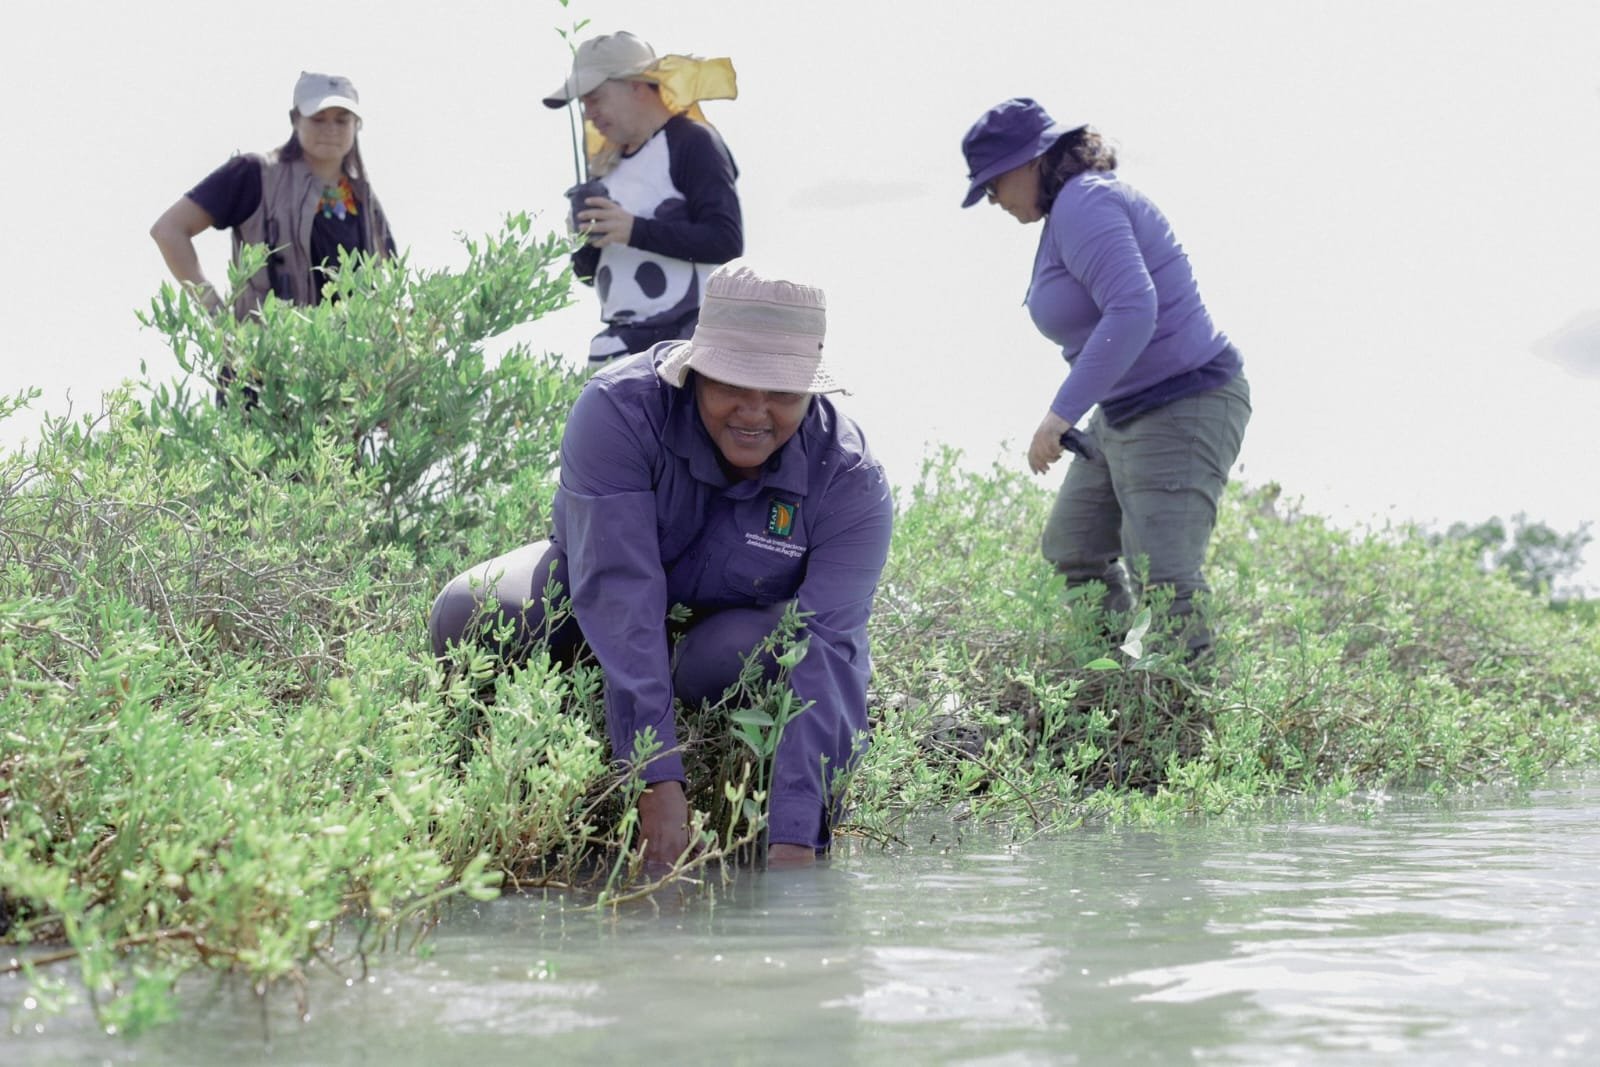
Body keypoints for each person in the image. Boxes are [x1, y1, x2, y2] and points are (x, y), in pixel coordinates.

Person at [429, 263, 893, 869]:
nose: (755, 412)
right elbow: (619, 591)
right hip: (591, 600)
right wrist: (656, 784)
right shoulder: (618, 411)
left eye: (781, 393)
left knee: (789, 650)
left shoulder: (851, 479)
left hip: (722, 645)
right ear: (697, 369)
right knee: (470, 612)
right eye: (732, 382)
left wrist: (794, 847)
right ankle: (503, 773)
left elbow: (829, 648)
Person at [959, 97, 1251, 658]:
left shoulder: (1085, 202)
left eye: (993, 183)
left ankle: (1186, 724)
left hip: (1183, 399)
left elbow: (1133, 308)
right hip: (1124, 411)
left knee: (1165, 578)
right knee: (1074, 547)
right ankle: (1113, 683)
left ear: (1032, 161)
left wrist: (1059, 414)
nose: (993, 199)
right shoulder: (1067, 211)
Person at [543, 31, 743, 368]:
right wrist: (584, 242)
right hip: (622, 341)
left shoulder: (692, 141)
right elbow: (589, 275)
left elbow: (726, 242)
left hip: (688, 339)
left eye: (594, 98)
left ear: (635, 85)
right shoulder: (605, 165)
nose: (588, 114)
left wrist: (633, 230)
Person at [150, 71, 395, 323]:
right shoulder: (255, 173)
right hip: (266, 358)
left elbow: (390, 284)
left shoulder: (363, 199)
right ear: (295, 119)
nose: (330, 129)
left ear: (357, 126)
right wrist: (218, 313)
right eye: (318, 119)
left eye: (342, 121)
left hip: (348, 360)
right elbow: (168, 230)